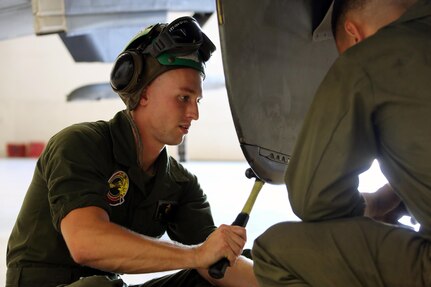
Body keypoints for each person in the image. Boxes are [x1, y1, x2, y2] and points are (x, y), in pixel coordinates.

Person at [6, 16, 257, 287]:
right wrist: (197, 255)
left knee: (231, 273)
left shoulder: (179, 183)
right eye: (183, 98)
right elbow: (86, 242)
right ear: (144, 94)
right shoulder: (78, 145)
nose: (194, 113)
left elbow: (214, 262)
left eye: (196, 100)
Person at [252, 0, 431, 286]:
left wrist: (372, 204)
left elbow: (313, 200)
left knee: (274, 250)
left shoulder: (367, 58)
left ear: (353, 33)